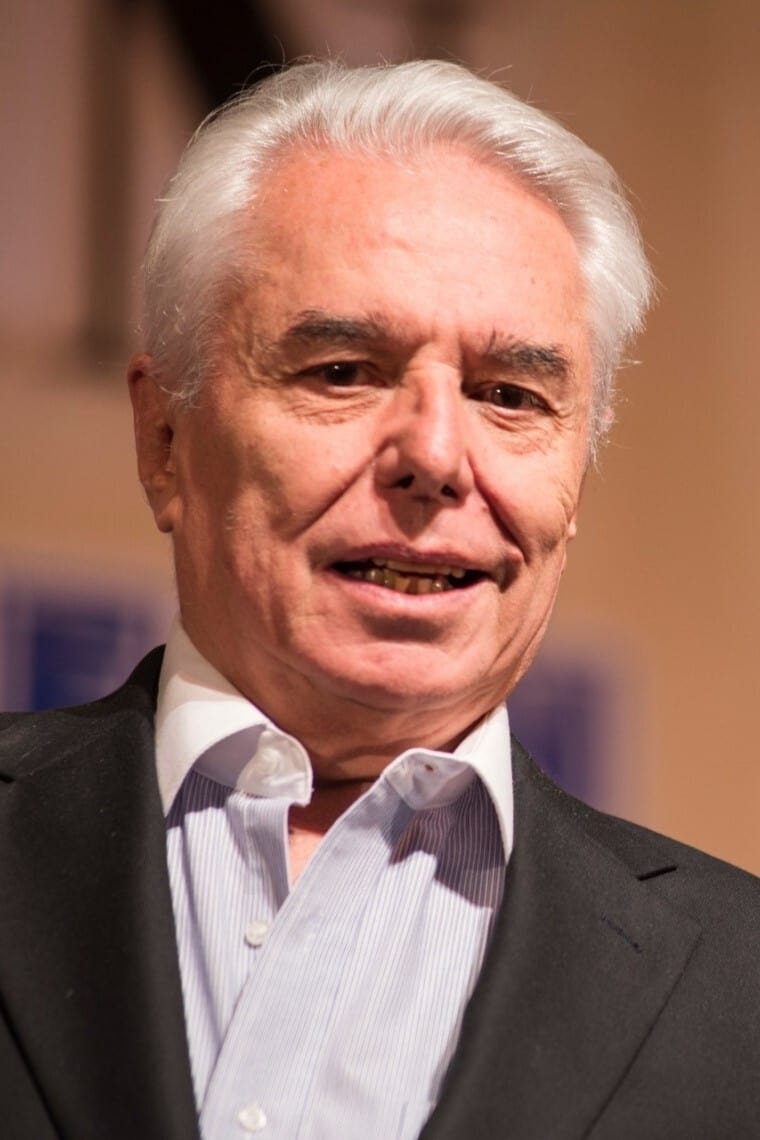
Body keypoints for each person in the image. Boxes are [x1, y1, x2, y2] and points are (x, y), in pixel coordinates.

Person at [1, 59, 758, 1140]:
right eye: (343, 371)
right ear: (163, 439)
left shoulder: (739, 991)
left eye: (510, 396)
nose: (436, 458)